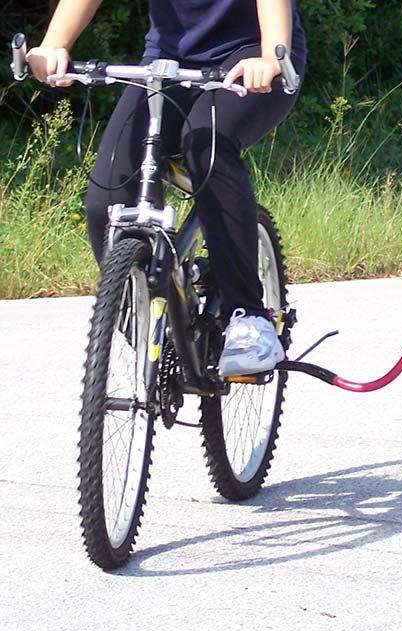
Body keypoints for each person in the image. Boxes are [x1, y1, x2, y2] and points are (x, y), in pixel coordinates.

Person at [27, 0, 307, 377]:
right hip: (167, 61)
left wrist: (272, 54)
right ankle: (147, 322)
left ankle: (249, 317)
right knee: (105, 201)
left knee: (207, 146)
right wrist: (54, 43)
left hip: (250, 55)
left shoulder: (265, 54)